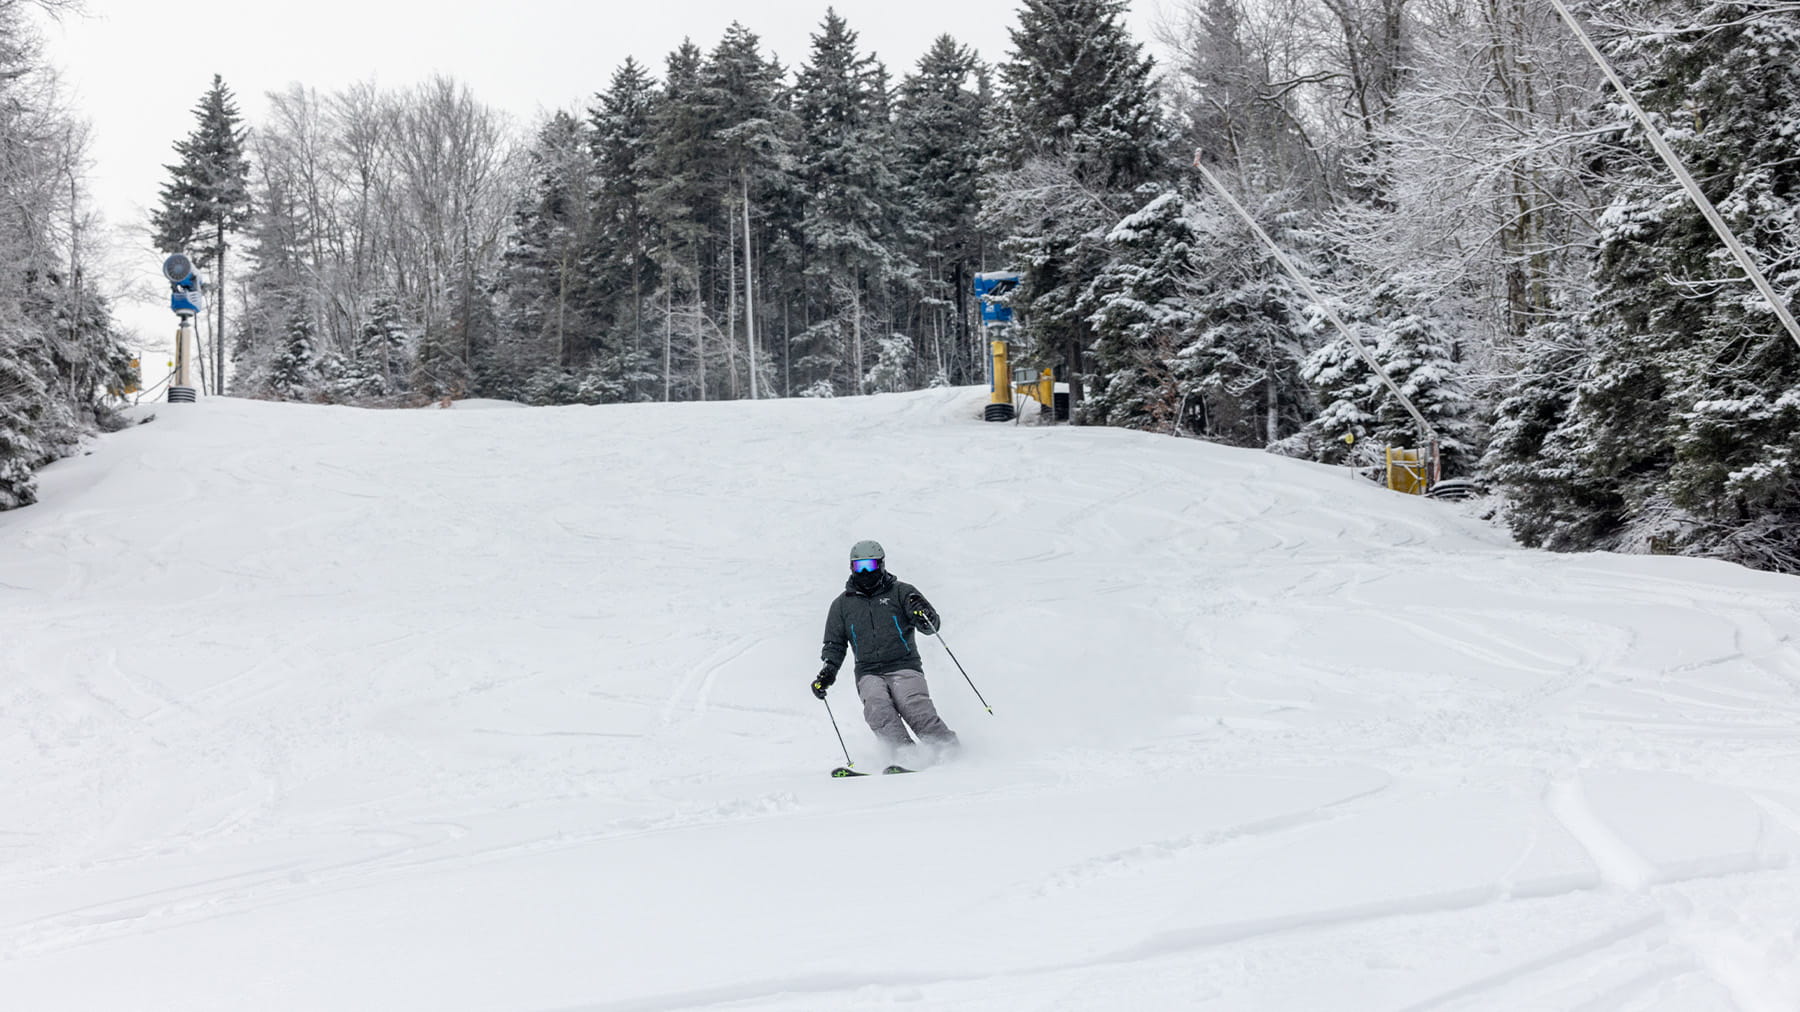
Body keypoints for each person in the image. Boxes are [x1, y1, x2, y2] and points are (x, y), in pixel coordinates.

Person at [811, 540, 959, 760]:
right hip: (868, 670)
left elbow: (931, 626)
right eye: (858, 566)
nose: (864, 572)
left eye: (869, 566)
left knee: (912, 704)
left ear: (881, 565)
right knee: (877, 708)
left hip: (904, 664)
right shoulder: (842, 605)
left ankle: (947, 749)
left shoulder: (901, 592)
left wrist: (922, 613)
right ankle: (904, 754)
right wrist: (827, 673)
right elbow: (835, 644)